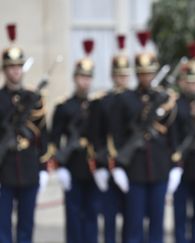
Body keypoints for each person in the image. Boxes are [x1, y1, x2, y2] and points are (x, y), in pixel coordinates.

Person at [110, 31, 177, 243]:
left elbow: (171, 133)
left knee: (157, 227)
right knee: (133, 226)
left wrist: (176, 165)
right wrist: (118, 165)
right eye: (142, 73)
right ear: (136, 74)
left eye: (150, 73)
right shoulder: (126, 99)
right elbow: (117, 134)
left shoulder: (163, 98)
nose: (146, 77)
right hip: (134, 170)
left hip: (158, 169)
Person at [0, 23, 48, 243]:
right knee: (2, 228)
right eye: (11, 67)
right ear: (4, 70)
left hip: (29, 169)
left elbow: (43, 133)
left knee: (26, 227)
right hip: (3, 172)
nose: (15, 70)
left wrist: (44, 167)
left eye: (19, 66)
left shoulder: (33, 98)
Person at [49, 39, 99, 243]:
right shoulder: (64, 107)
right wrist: (59, 166)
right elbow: (54, 139)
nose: (84, 82)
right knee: (73, 217)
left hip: (93, 168)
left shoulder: (98, 106)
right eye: (81, 77)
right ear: (74, 78)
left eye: (88, 77)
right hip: (71, 167)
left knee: (92, 216)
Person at [88, 34, 130, 243]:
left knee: (132, 222)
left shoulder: (134, 100)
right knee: (109, 221)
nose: (121, 78)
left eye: (125, 75)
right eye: (118, 74)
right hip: (108, 166)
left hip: (130, 169)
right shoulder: (101, 102)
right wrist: (101, 167)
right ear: (112, 76)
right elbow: (95, 136)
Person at [168, 42, 195, 243]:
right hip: (182, 165)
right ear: (183, 82)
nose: (193, 86)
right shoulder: (176, 105)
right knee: (179, 214)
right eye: (189, 82)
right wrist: (174, 164)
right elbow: (172, 134)